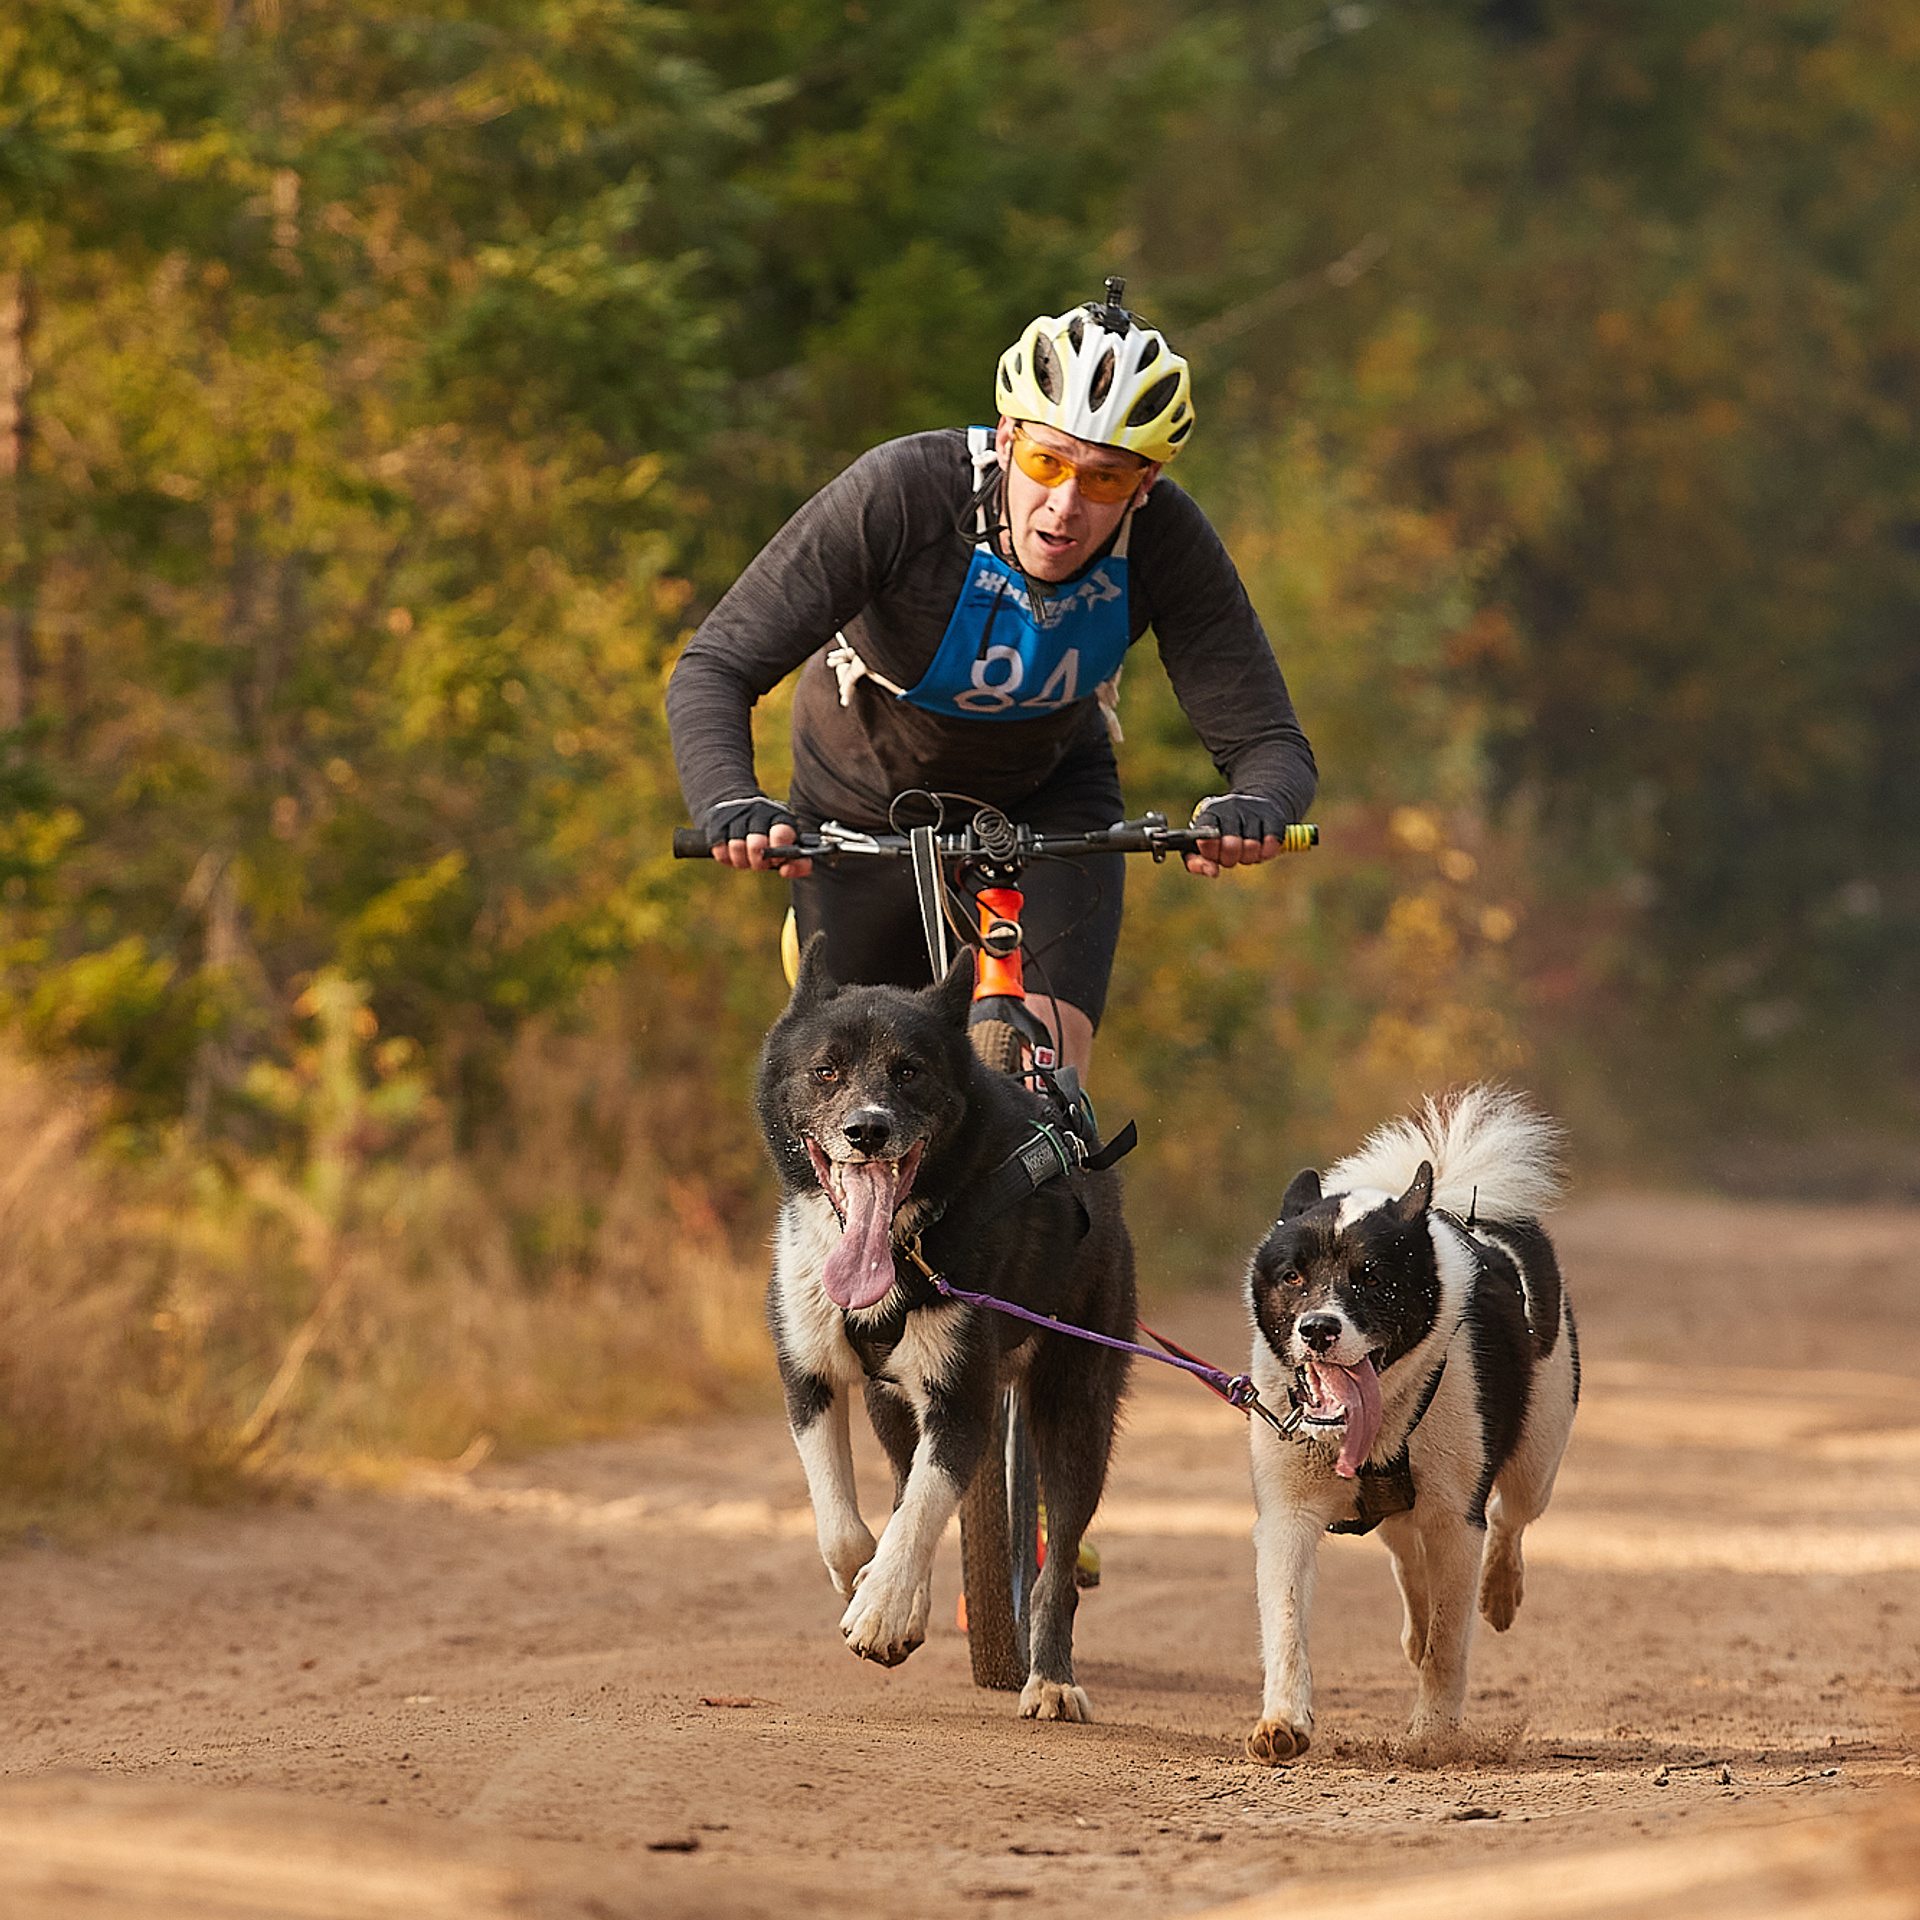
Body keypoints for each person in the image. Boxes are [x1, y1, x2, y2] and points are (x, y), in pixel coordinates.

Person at [667, 280, 1316, 1082]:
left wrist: (1252, 807)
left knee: (1044, 1081)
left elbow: (1268, 741)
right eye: (1047, 461)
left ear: (1144, 485)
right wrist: (730, 800)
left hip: (1046, 800)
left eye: (1107, 480)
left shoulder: (1168, 541)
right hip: (861, 803)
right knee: (864, 1097)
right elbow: (716, 667)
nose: (1066, 504)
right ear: (1006, 437)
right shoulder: (902, 492)